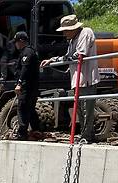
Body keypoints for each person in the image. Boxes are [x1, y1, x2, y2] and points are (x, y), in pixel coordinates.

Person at [41, 14, 100, 142]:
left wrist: (62, 59)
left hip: (87, 78)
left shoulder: (85, 33)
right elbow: (68, 56)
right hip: (77, 79)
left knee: (86, 110)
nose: (64, 34)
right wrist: (52, 60)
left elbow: (79, 55)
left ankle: (88, 136)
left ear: (73, 29)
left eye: (66, 31)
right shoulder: (72, 40)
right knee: (79, 109)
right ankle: (86, 135)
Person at [13, 31, 41, 140]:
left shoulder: (27, 52)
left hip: (27, 86)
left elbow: (25, 69)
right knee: (30, 108)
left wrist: (19, 83)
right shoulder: (29, 51)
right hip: (31, 86)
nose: (15, 44)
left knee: (22, 108)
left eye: (16, 42)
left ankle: (22, 133)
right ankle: (36, 129)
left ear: (21, 41)